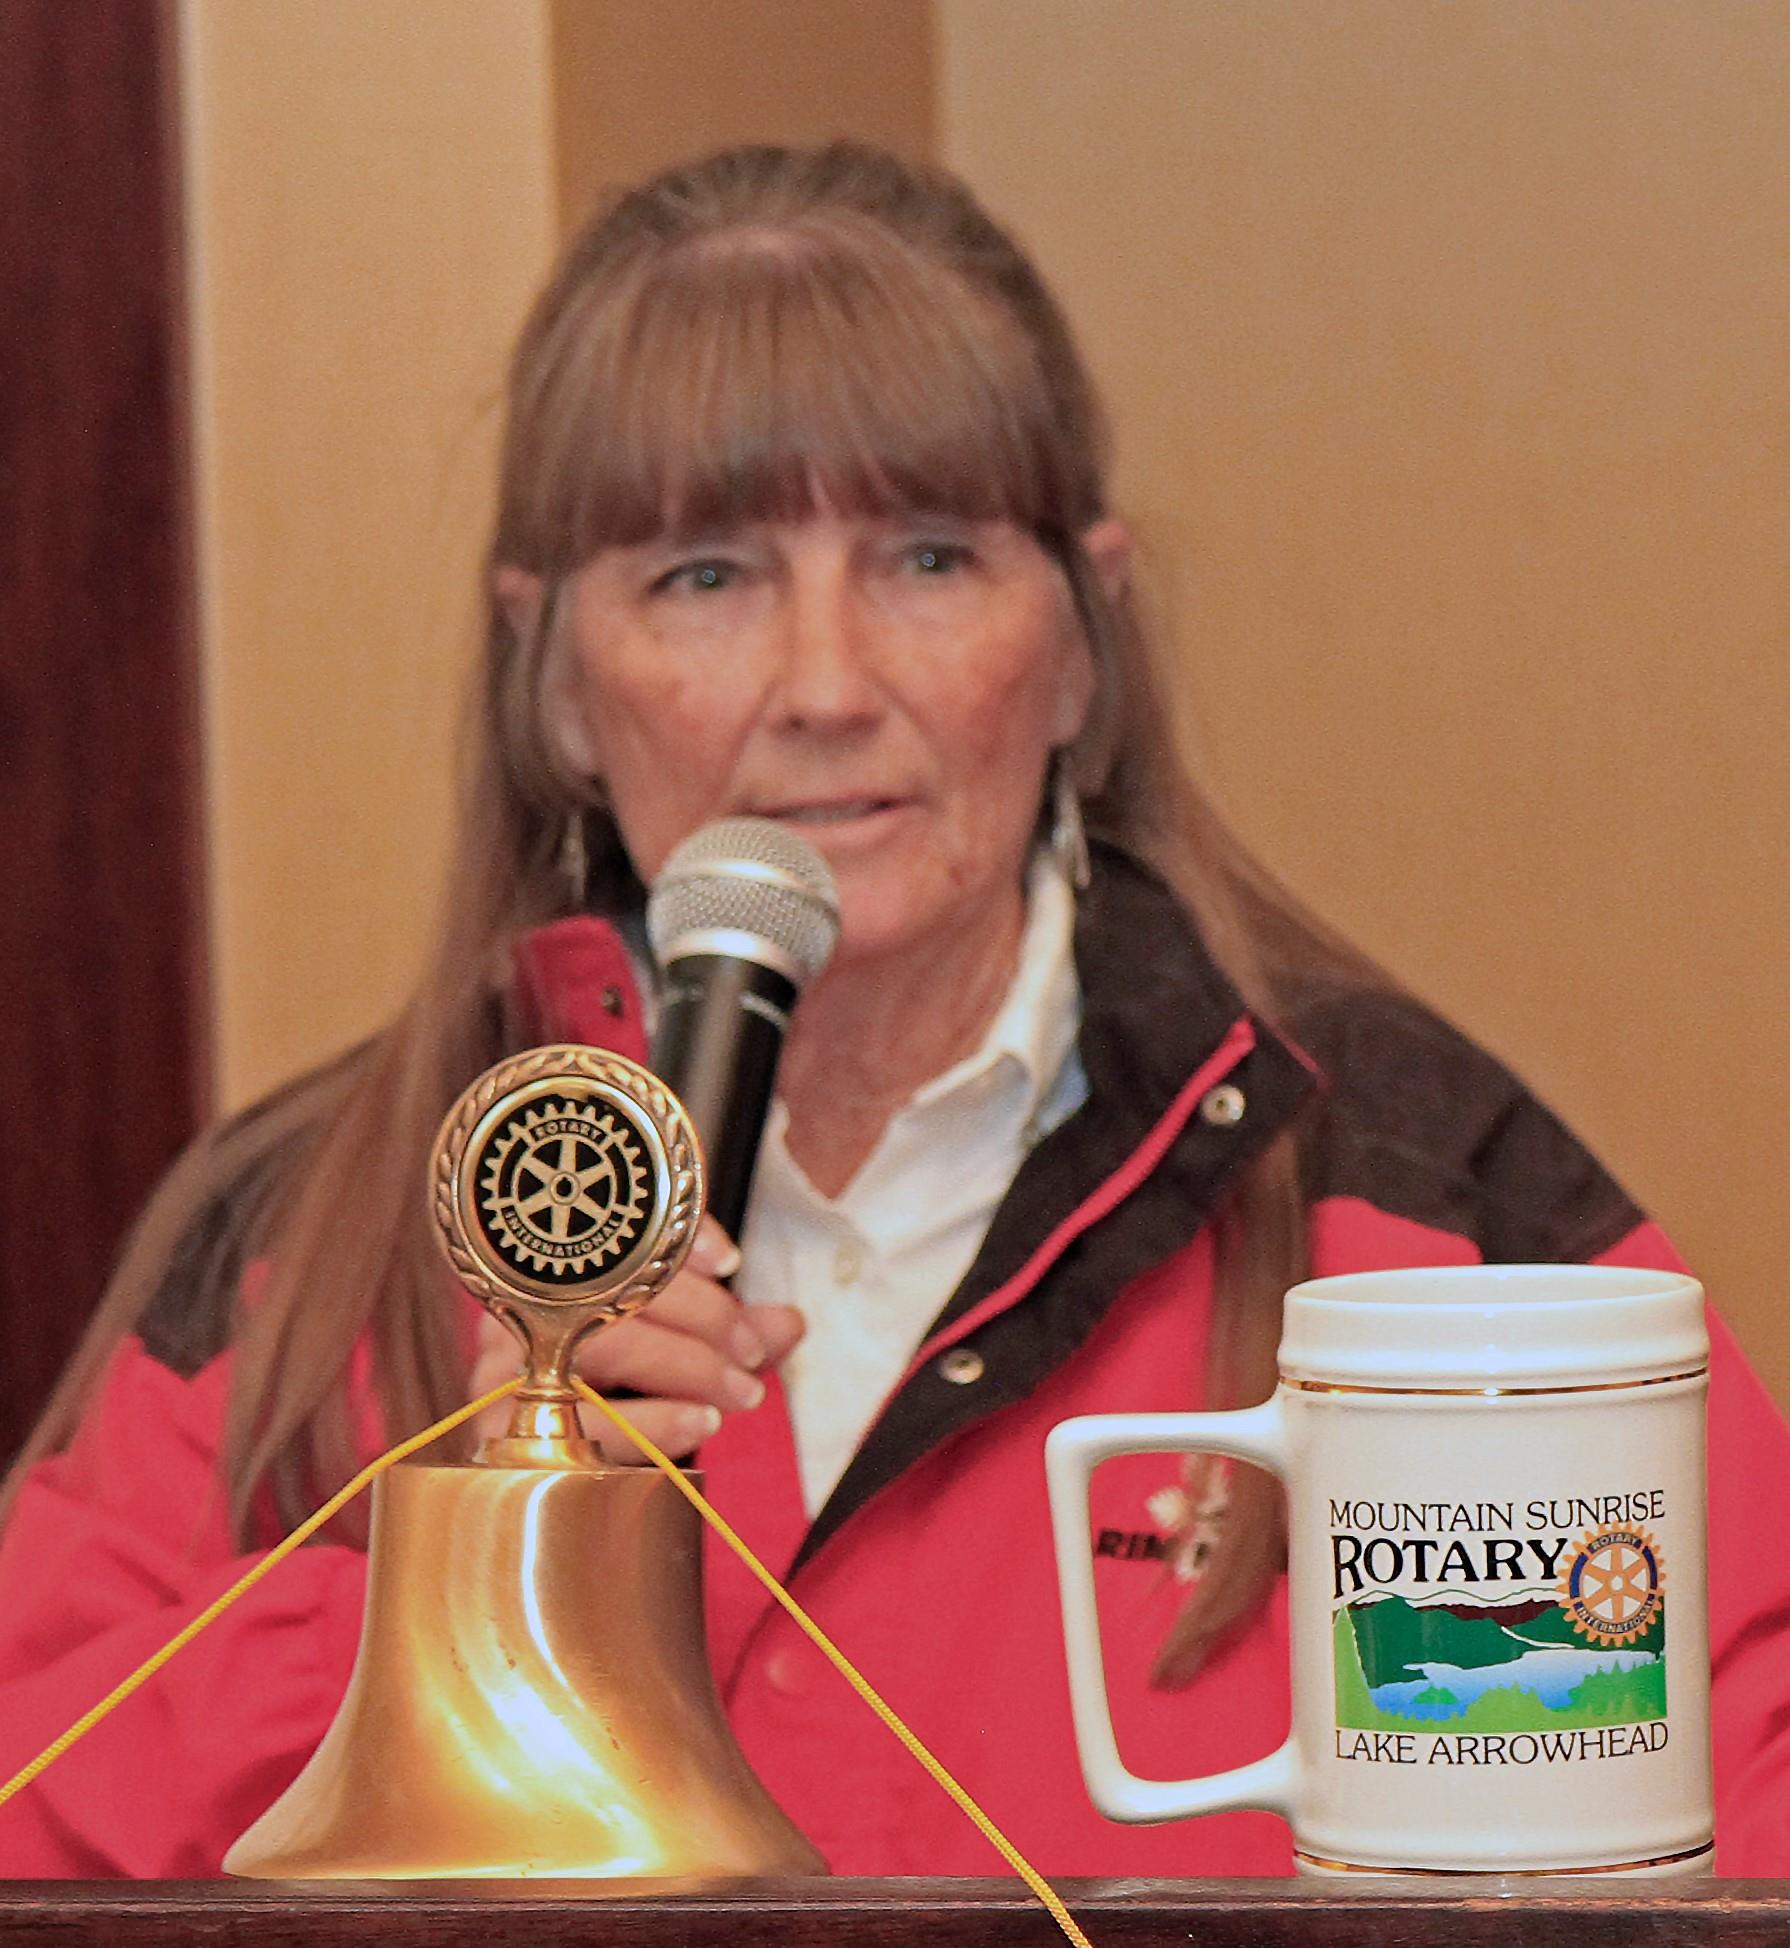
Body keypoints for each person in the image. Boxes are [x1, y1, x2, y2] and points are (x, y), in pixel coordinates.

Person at [1, 140, 1786, 1880]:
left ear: (1080, 640)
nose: (825, 686)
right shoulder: (314, 1230)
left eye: (926, 559)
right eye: (705, 578)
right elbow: (36, 1818)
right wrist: (479, 1573)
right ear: (554, 681)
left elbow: (1734, 1811)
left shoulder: (1411, 1197)